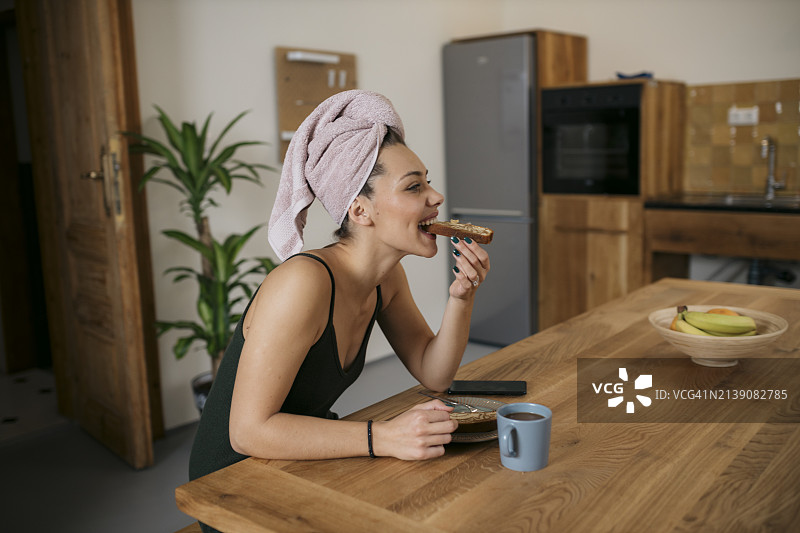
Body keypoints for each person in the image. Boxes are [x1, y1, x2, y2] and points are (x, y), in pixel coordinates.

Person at [189, 90, 490, 507]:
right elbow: (247, 432)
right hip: (233, 482)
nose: (436, 198)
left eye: (428, 182)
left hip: (301, 459)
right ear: (360, 211)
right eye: (414, 186)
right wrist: (385, 436)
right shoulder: (302, 283)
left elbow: (433, 373)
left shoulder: (387, 278)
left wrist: (462, 297)